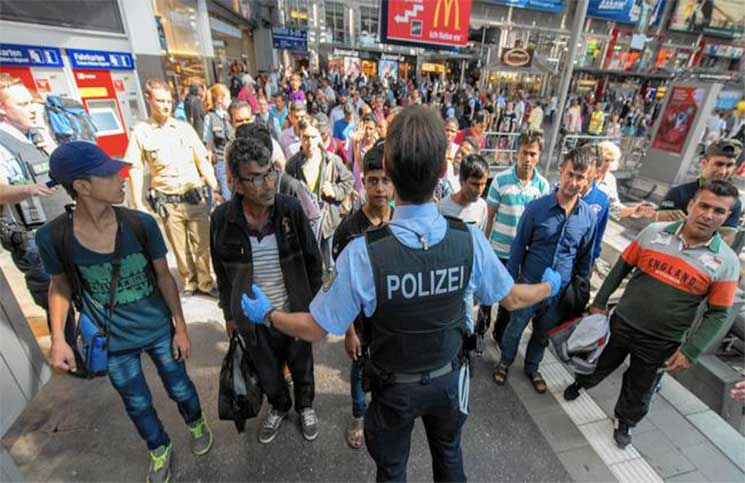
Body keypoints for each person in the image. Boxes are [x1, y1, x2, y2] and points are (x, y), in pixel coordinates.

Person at [239, 105, 562, 482]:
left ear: (389, 170)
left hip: (394, 389)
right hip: (447, 381)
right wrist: (550, 286)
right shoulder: (469, 240)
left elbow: (315, 327)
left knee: (392, 471)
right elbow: (512, 298)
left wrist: (269, 314)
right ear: (442, 171)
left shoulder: (363, 253)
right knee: (449, 458)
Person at [39, 142, 212, 483]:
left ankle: (196, 423)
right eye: (108, 173)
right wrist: (59, 340)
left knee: (180, 387)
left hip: (158, 330)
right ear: (82, 186)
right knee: (136, 402)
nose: (122, 177)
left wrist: (180, 328)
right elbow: (59, 287)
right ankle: (159, 447)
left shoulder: (140, 224)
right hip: (113, 341)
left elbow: (164, 277)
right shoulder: (53, 237)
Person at [563, 180, 740, 448]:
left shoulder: (726, 263)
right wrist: (599, 302)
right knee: (598, 363)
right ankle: (581, 383)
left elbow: (718, 314)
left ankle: (625, 422)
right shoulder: (653, 233)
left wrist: (690, 352)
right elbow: (621, 268)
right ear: (690, 204)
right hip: (621, 324)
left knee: (641, 387)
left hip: (662, 342)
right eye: (704, 206)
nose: (708, 215)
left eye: (719, 211)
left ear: (726, 217)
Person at [210, 137, 322, 445]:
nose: (269, 183)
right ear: (237, 184)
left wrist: (316, 307)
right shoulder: (222, 220)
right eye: (256, 177)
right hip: (254, 322)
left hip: (294, 312)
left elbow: (313, 260)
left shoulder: (290, 210)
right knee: (268, 372)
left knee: (302, 366)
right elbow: (222, 273)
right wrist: (230, 315)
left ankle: (305, 406)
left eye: (270, 172)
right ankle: (280, 406)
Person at [494, 147, 597, 392]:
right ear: (561, 172)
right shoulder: (536, 208)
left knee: (542, 334)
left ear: (587, 181)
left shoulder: (588, 218)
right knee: (515, 328)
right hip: (529, 285)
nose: (574, 182)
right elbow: (518, 246)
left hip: (559, 293)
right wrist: (510, 284)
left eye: (580, 177)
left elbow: (585, 259)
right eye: (570, 174)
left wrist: (580, 293)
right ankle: (505, 362)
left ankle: (532, 368)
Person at [0, 73, 76, 346]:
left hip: (62, 227)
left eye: (31, 102)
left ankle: (85, 351)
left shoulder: (35, 137)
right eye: (22, 104)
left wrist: (53, 151)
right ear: (2, 110)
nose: (32, 109)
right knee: (58, 304)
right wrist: (30, 189)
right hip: (34, 239)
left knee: (78, 294)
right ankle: (69, 354)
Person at [125, 79, 219, 298]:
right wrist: (137, 201)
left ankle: (206, 281)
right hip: (168, 201)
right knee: (179, 246)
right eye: (160, 101)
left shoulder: (184, 129)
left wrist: (214, 186)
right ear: (149, 100)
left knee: (202, 244)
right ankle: (190, 282)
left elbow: (202, 160)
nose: (166, 105)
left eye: (169, 101)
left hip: (194, 197)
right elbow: (135, 167)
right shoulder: (141, 132)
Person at [331, 142, 394, 450]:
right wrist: (349, 331)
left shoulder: (404, 222)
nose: (380, 188)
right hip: (360, 323)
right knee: (360, 371)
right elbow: (340, 286)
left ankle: (386, 413)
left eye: (386, 180)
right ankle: (359, 415)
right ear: (363, 182)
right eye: (373, 180)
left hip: (393, 322)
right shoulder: (349, 230)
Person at [482, 129, 550, 345]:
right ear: (517, 152)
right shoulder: (500, 180)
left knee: (510, 299)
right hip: (496, 252)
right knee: (487, 296)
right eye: (524, 153)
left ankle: (499, 335)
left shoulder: (543, 186)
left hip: (521, 257)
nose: (527, 159)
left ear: (539, 155)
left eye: (532, 154)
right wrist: (484, 249)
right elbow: (489, 217)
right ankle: (480, 331)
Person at [285, 120, 354, 272]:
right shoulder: (293, 165)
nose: (309, 142)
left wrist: (334, 190)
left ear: (320, 137)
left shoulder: (331, 160)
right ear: (300, 137)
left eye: (313, 137)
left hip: (328, 221)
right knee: (310, 266)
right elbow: (287, 193)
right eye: (305, 137)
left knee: (332, 267)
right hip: (305, 223)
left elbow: (349, 180)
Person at [657, 138, 742, 245]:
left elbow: (725, 242)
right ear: (704, 163)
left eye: (729, 165)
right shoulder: (678, 193)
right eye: (718, 164)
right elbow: (661, 230)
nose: (723, 171)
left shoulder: (735, 203)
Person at [595, 141, 656, 219]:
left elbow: (615, 210)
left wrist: (635, 210)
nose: (608, 164)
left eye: (611, 160)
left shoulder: (609, 179)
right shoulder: (583, 175)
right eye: (605, 159)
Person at [437, 154, 489, 229]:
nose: (479, 190)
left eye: (483, 184)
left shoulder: (482, 207)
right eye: (474, 184)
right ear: (461, 181)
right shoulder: (441, 207)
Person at [230, 102, 286, 170]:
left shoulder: (265, 139)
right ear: (231, 122)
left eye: (247, 119)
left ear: (252, 119)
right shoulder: (229, 145)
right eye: (239, 121)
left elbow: (282, 165)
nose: (245, 123)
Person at [203, 83, 234, 201]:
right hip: (221, 163)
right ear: (220, 99)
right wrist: (210, 167)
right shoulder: (210, 118)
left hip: (234, 159)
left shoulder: (231, 115)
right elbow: (209, 146)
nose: (230, 101)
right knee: (228, 196)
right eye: (228, 98)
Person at [349, 114, 379, 192]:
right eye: (365, 128)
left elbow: (362, 167)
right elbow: (348, 164)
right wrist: (350, 188)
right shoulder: (354, 140)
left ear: (375, 129)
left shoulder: (379, 145)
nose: (367, 132)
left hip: (373, 190)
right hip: (356, 189)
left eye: (371, 129)